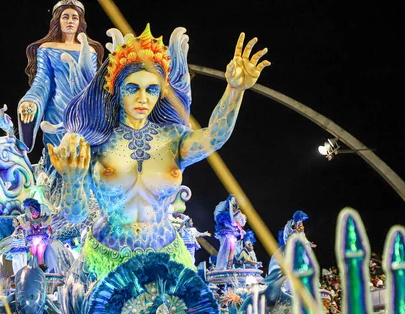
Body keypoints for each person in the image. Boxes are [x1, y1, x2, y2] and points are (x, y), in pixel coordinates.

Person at [49, 25, 270, 280]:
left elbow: (216, 136)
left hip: (167, 261)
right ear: (116, 89)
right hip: (105, 263)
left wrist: (235, 90)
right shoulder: (96, 143)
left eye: (151, 89)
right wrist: (73, 179)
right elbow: (75, 215)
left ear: (161, 92)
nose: (143, 98)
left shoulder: (174, 139)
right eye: (133, 88)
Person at [18, 0, 104, 157]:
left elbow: (92, 83)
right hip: (57, 111)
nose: (70, 21)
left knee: (85, 157)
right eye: (65, 17)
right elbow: (42, 80)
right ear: (58, 20)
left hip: (83, 112)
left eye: (74, 17)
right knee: (58, 156)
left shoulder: (89, 50)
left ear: (80, 22)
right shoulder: (47, 48)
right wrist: (30, 101)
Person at [17, 198, 53, 270]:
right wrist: (19, 231)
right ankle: (32, 270)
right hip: (32, 239)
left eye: (34, 211)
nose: (33, 213)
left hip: (42, 239)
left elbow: (49, 227)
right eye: (31, 211)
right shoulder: (28, 220)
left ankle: (42, 271)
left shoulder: (43, 219)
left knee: (40, 255)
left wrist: (51, 236)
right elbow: (23, 227)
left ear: (38, 211)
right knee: (32, 255)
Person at [213, 195, 247, 270]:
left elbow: (240, 223)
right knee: (224, 250)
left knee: (232, 250)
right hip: (226, 234)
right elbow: (229, 221)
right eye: (233, 205)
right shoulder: (224, 216)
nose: (235, 207)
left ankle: (229, 266)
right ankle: (222, 266)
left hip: (233, 235)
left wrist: (240, 230)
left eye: (236, 205)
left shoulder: (238, 214)